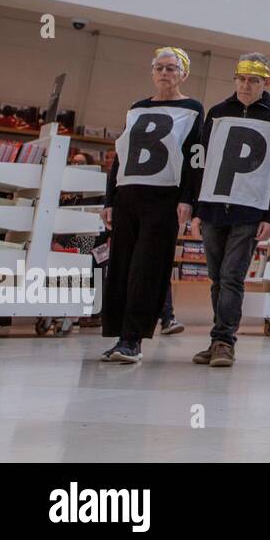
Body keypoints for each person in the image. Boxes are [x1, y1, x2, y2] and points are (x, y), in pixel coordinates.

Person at [99, 47, 203, 364]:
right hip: (128, 195)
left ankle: (133, 339)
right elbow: (121, 154)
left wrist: (189, 198)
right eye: (159, 67)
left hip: (164, 198)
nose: (164, 73)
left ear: (183, 74)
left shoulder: (193, 109)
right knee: (121, 267)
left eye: (171, 68)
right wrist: (110, 199)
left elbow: (195, 158)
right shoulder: (137, 108)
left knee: (147, 267)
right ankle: (119, 336)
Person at [189, 53, 270, 368]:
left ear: (266, 82)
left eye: (254, 80)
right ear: (234, 79)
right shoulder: (218, 113)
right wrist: (196, 208)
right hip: (213, 208)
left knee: (232, 276)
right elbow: (200, 162)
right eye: (242, 79)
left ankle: (224, 341)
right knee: (217, 277)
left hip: (250, 211)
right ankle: (217, 337)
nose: (246, 85)